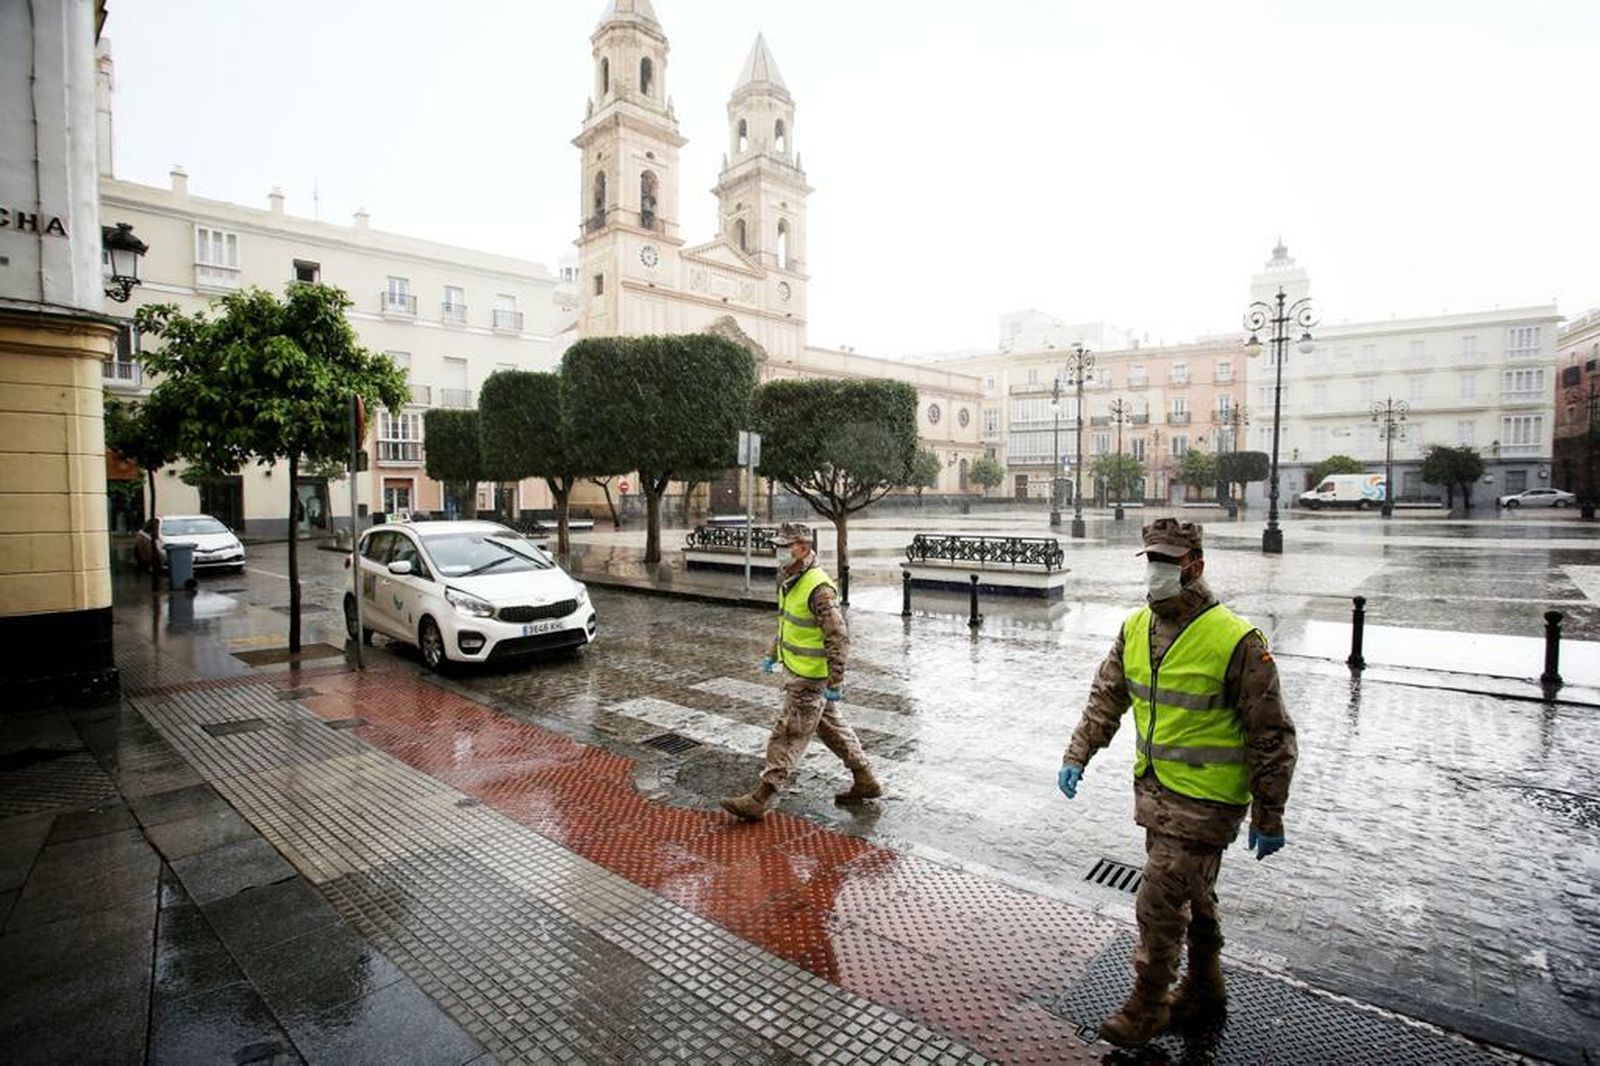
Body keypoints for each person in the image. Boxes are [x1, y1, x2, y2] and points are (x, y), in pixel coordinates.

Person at [1058, 518, 1296, 1047]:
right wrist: (1079, 753)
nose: (1159, 571)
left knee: (1158, 900)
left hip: (1208, 804)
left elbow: (1271, 733)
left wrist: (1269, 811)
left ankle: (1146, 1006)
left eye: (1170, 561)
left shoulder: (1236, 640)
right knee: (1196, 893)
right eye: (1153, 561)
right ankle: (1205, 986)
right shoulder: (1135, 628)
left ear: (1196, 566)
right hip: (1157, 794)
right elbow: (1107, 698)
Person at [720, 522, 881, 820]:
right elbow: (787, 623)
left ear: (804, 548)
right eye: (778, 545)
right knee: (831, 728)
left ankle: (761, 797)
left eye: (785, 546)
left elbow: (838, 637)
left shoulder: (818, 588)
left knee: (787, 733)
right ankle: (865, 779)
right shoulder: (789, 578)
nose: (778, 551)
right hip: (798, 670)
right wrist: (772, 653)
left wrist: (836, 681)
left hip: (810, 678)